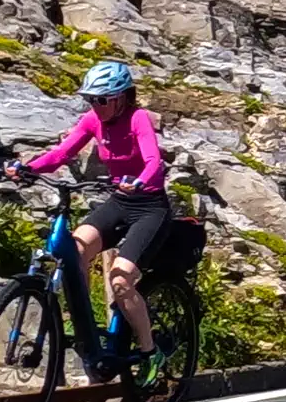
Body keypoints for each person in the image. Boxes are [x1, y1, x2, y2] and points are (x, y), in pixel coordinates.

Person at [9, 58, 176, 368]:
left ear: (121, 97)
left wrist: (140, 181)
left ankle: (150, 352)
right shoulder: (92, 120)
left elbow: (154, 161)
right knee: (74, 249)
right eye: (90, 99)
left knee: (120, 280)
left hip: (149, 207)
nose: (95, 106)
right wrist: (28, 168)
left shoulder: (137, 118)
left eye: (101, 100)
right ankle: (85, 326)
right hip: (118, 201)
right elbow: (62, 153)